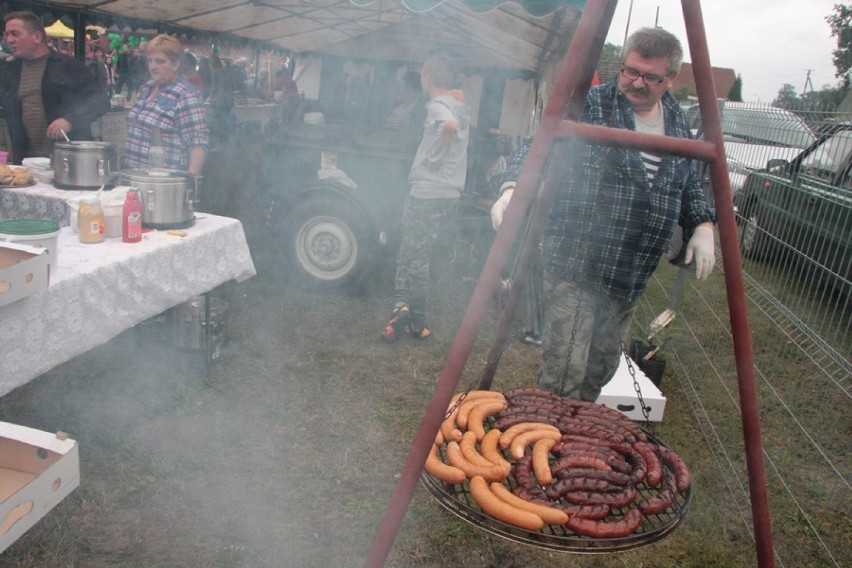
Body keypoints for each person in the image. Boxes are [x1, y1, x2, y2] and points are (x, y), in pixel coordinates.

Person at [489, 27, 716, 401]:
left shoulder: (676, 120)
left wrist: (702, 223)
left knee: (601, 367)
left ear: (671, 78)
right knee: (565, 369)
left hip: (630, 275)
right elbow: (538, 146)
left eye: (650, 77)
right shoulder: (589, 104)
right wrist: (512, 185)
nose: (636, 83)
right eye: (629, 71)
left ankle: (575, 440)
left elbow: (688, 179)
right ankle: (548, 439)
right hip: (576, 263)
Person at [381, 54, 471, 342]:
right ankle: (401, 305)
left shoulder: (437, 106)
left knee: (416, 258)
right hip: (445, 193)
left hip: (429, 192)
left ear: (427, 78)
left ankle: (418, 324)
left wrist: (433, 159)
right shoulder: (458, 102)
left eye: (421, 75)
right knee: (411, 250)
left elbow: (450, 127)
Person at [0, 11, 109, 163]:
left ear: (37, 37)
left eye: (15, 34)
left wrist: (69, 120)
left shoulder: (69, 66)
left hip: (68, 162)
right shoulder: (8, 70)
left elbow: (100, 101)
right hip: (27, 162)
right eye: (7, 35)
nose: (9, 40)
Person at [123, 34, 209, 175]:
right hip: (135, 177)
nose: (153, 66)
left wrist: (191, 184)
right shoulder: (148, 87)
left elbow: (198, 142)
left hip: (164, 181)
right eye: (150, 61)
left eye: (160, 61)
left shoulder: (186, 94)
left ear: (176, 64)